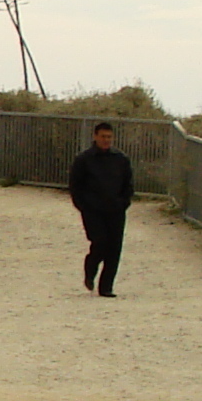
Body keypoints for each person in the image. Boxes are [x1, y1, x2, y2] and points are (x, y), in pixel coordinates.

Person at [68, 122, 135, 296]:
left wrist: (123, 203)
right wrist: (82, 206)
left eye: (109, 137)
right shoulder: (83, 159)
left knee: (114, 248)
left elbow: (128, 184)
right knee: (100, 242)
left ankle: (106, 287)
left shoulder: (121, 159)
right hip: (92, 210)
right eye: (103, 136)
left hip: (116, 210)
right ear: (95, 136)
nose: (106, 140)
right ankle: (90, 269)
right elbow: (75, 185)